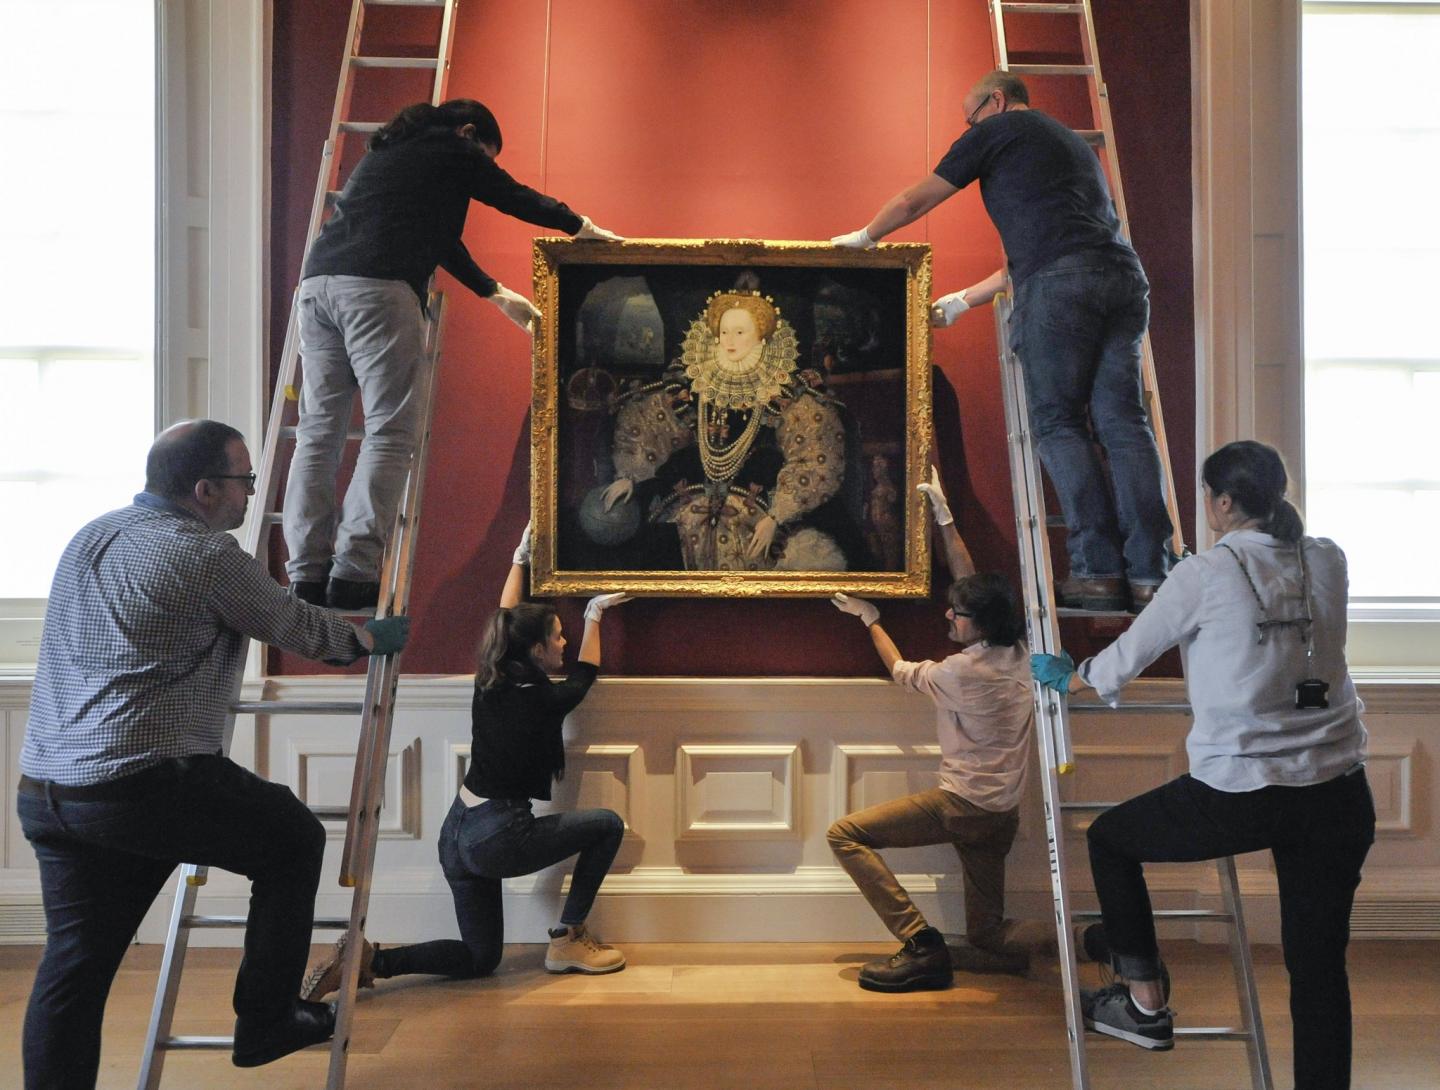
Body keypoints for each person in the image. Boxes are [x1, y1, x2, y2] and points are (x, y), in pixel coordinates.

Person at [17, 420, 412, 1087]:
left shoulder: (93, 533)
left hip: (51, 790)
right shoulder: (204, 556)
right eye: (244, 480)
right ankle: (265, 1022)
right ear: (204, 490)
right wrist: (368, 639)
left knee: (74, 969)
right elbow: (296, 627)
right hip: (140, 783)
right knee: (292, 838)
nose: (252, 493)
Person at [1030, 440, 1372, 1087]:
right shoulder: (1327, 558)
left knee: (1109, 840)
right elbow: (1273, 619)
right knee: (1319, 969)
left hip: (1244, 791)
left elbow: (1124, 661)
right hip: (1339, 796)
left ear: (1220, 503)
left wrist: (1071, 677)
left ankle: (1143, 1002)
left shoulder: (1203, 576)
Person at [831, 69, 1172, 613]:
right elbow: (1047, 253)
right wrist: (966, 298)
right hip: (1123, 281)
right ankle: (1151, 571)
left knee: (1060, 422)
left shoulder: (996, 131)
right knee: (1123, 424)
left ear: (995, 101)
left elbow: (916, 200)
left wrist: (865, 238)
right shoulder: (1072, 147)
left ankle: (1099, 571)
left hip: (1061, 289)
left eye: (970, 117)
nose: (968, 127)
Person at [285, 98, 623, 610]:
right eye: (485, 155)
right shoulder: (451, 147)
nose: (483, 165)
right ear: (469, 134)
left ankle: (306, 573)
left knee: (317, 433)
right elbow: (510, 195)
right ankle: (353, 572)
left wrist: (495, 293)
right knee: (390, 433)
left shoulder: (390, 154)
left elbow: (442, 240)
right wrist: (579, 226)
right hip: (379, 288)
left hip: (317, 286)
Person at [300, 523, 631, 1000]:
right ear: (536, 649)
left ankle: (369, 961)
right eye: (559, 637)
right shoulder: (540, 699)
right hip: (497, 835)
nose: (565, 642)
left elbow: (505, 613)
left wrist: (519, 558)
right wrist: (597, 614)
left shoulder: (491, 677)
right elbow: (584, 675)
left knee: (480, 958)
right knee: (607, 825)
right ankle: (569, 939)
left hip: (457, 832)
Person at [826, 467, 1035, 991]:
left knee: (845, 834)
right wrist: (944, 517)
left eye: (957, 615)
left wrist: (870, 618)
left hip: (963, 807)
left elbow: (900, 672)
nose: (948, 614)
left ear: (978, 624)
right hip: (1001, 813)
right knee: (988, 937)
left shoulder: (961, 674)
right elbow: (970, 584)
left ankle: (920, 944)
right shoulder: (1022, 652)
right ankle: (1077, 940)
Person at [598, 288, 854, 571]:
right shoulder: (690, 385)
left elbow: (814, 455)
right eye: (724, 332)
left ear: (761, 336)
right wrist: (630, 476)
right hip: (688, 497)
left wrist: (777, 516)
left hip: (763, 503)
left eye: (741, 332)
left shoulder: (786, 393)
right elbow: (653, 426)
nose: (729, 341)